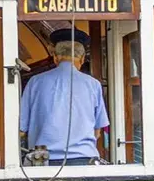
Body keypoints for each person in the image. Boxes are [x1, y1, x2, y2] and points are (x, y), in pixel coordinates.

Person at [19, 28, 109, 166]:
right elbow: (98, 131)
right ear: (83, 58)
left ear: (55, 57)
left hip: (42, 160)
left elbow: (22, 128)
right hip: (84, 159)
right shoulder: (93, 85)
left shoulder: (35, 82)